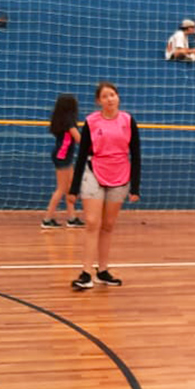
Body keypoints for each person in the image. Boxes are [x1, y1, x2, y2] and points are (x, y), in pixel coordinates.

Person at [68, 82, 142, 290]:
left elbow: (136, 154)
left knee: (108, 225)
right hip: (94, 171)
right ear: (98, 101)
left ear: (118, 97)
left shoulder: (128, 121)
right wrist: (74, 189)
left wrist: (135, 187)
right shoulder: (91, 122)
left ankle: (102, 271)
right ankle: (85, 272)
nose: (110, 99)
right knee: (92, 222)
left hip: (120, 175)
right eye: (105, 96)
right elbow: (81, 155)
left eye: (113, 95)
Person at [42, 94, 84, 229]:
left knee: (70, 188)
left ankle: (72, 218)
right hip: (62, 156)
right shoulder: (69, 122)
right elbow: (79, 139)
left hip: (63, 155)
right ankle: (47, 219)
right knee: (61, 189)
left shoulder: (62, 120)